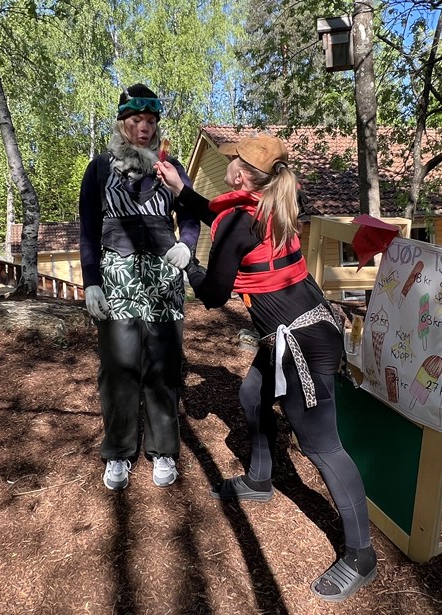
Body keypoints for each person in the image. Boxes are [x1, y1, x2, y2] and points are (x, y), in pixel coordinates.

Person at [154, 134, 377, 602]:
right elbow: (221, 215)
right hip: (304, 326)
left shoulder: (242, 219)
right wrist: (180, 188)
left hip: (300, 343)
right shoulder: (274, 200)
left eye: (233, 160)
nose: (229, 164)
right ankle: (259, 479)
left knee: (322, 446)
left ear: (239, 173)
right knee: (252, 395)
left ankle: (361, 555)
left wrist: (185, 262)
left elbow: (214, 295)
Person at [79, 84, 200, 491]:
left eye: (150, 121)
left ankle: (163, 449)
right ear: (122, 123)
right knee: (118, 367)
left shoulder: (170, 168)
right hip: (116, 277)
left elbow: (191, 213)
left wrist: (187, 245)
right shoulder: (99, 169)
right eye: (136, 120)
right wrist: (91, 283)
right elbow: (88, 230)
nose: (144, 128)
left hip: (164, 280)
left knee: (163, 365)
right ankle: (118, 451)